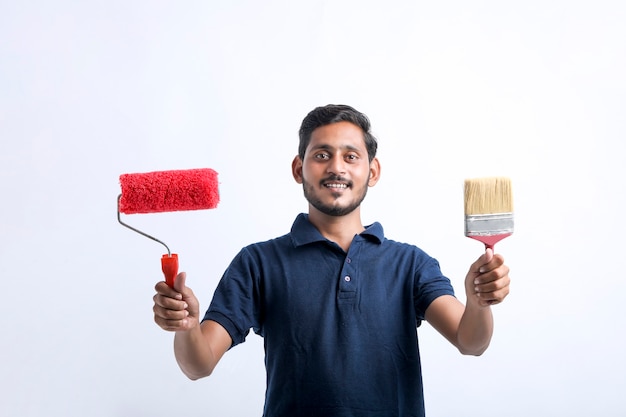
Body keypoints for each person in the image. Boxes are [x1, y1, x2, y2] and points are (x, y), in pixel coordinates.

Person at [153, 104, 511, 417]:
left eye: (350, 156)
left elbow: (470, 342)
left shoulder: (410, 264)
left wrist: (478, 303)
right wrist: (186, 326)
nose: (336, 167)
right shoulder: (258, 263)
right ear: (299, 169)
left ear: (372, 172)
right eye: (322, 155)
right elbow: (198, 365)